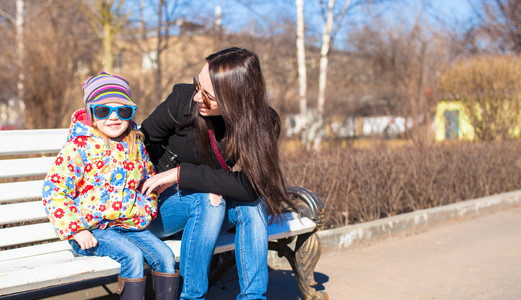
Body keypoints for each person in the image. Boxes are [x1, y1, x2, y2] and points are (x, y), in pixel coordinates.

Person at [140, 47, 295, 300]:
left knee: (251, 204)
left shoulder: (262, 122)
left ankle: (253, 298)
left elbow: (250, 186)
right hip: (161, 209)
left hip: (209, 213)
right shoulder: (182, 101)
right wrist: (161, 177)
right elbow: (140, 143)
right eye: (197, 86)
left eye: (208, 95)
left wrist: (183, 174)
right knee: (209, 199)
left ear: (237, 98)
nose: (197, 98)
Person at [42, 72, 179, 300]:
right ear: (92, 115)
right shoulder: (79, 147)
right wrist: (77, 230)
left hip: (129, 226)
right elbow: (55, 191)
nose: (114, 117)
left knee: (164, 256)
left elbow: (148, 183)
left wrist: (145, 207)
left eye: (123, 110)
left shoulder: (135, 146)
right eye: (103, 110)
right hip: (92, 231)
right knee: (133, 257)